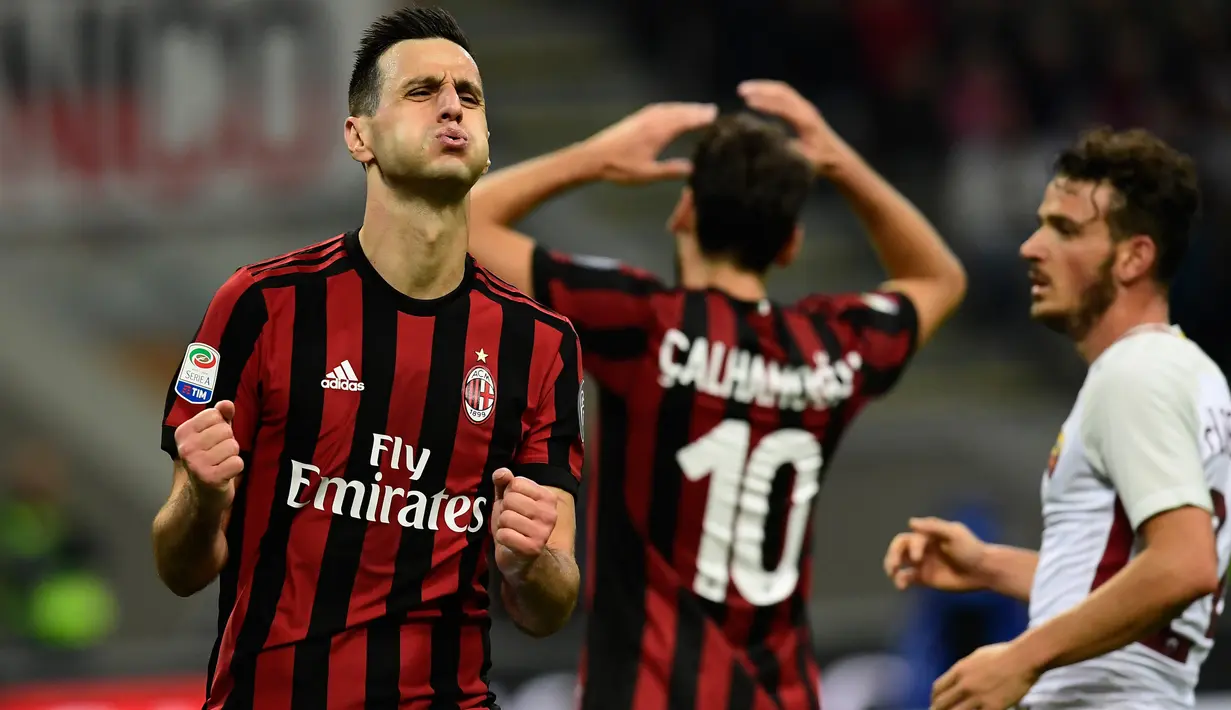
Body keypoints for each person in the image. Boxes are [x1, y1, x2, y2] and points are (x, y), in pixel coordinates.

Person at [467, 81, 967, 709]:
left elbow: (462, 226)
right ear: (790, 246)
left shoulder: (646, 324)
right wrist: (840, 161)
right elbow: (938, 278)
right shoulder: (832, 349)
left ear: (684, 214)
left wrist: (595, 156)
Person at [151, 8, 584, 709]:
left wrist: (534, 561)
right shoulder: (261, 304)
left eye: (468, 97)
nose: (452, 105)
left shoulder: (539, 344)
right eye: (421, 91)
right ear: (359, 136)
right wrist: (201, 499)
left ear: (486, 144)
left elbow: (547, 608)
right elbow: (179, 567)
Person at [883, 127, 1231, 710]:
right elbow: (1129, 576)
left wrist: (1020, 657)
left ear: (1134, 257)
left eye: (1064, 230)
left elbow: (1183, 565)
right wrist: (990, 566)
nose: (1030, 246)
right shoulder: (1194, 374)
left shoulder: (1133, 376)